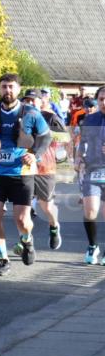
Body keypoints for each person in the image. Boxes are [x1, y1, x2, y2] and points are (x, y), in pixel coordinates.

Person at [0, 74, 51, 275]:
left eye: (11, 87)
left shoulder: (31, 113)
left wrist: (35, 155)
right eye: (4, 86)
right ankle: (3, 259)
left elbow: (46, 137)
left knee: (22, 220)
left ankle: (27, 239)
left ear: (18, 89)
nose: (7, 90)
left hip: (22, 172)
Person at [21, 89, 68, 251]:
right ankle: (26, 241)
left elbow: (64, 139)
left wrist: (59, 156)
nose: (30, 103)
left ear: (41, 102)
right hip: (24, 167)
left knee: (46, 207)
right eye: (27, 100)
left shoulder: (51, 118)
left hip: (45, 168)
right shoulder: (19, 118)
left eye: (33, 100)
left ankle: (54, 226)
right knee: (23, 208)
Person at [76, 86, 105, 265]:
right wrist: (79, 158)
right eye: (101, 99)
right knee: (90, 211)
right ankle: (93, 246)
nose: (104, 102)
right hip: (92, 170)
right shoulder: (90, 119)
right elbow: (83, 143)